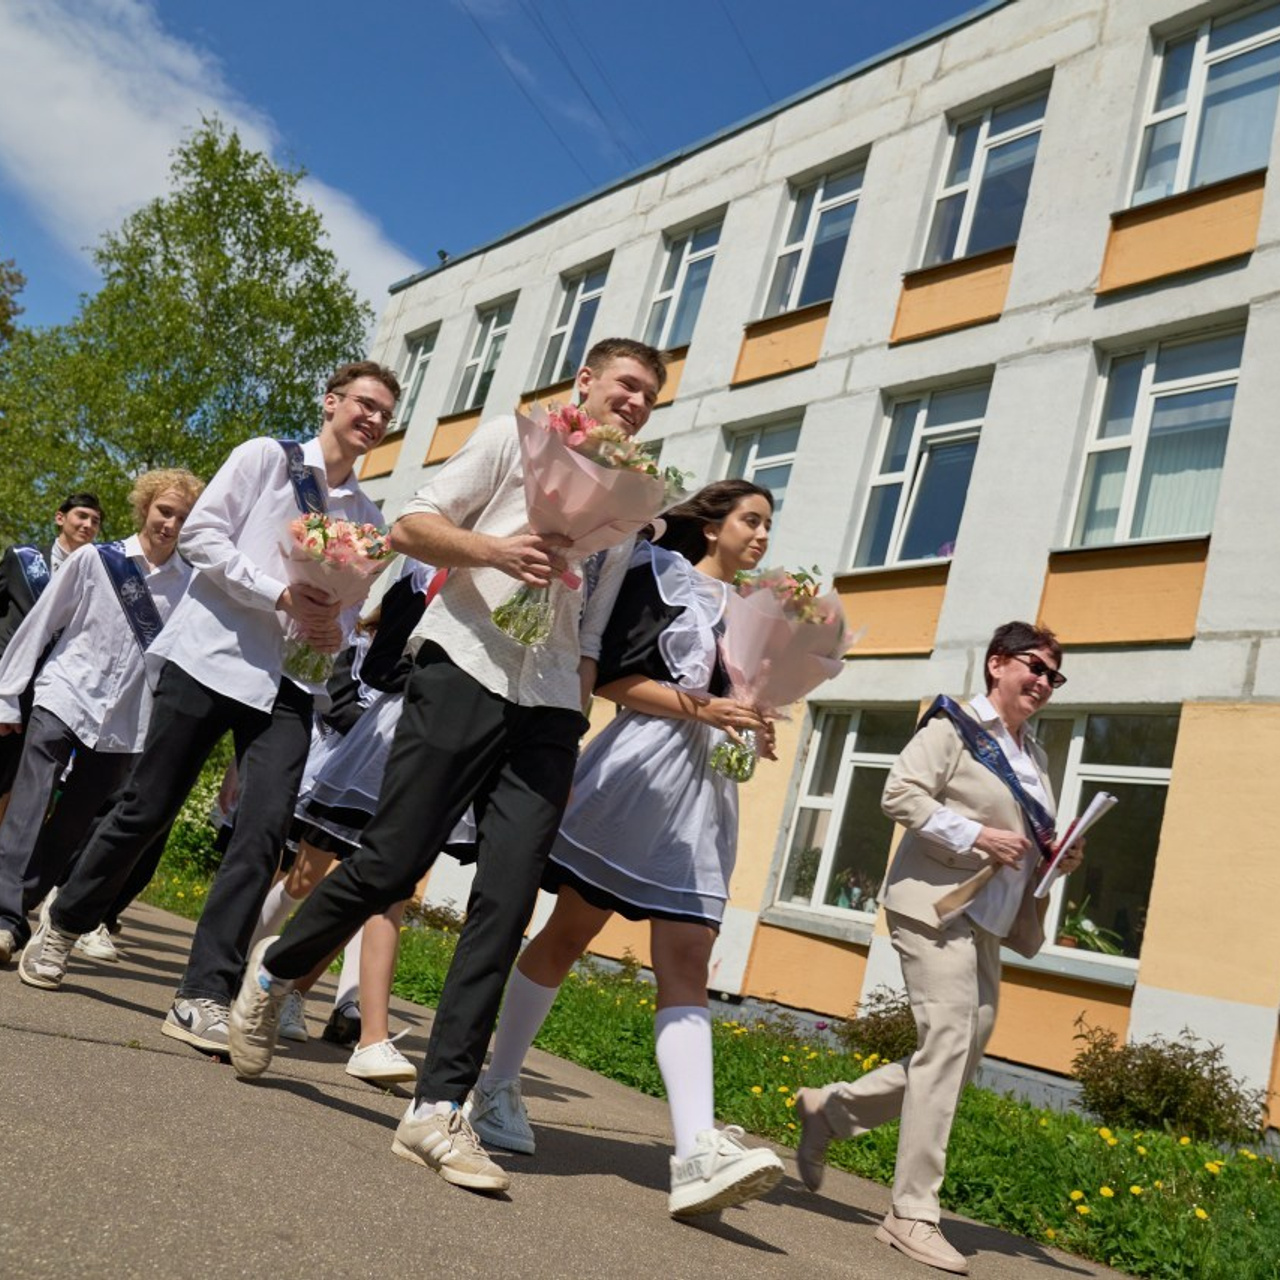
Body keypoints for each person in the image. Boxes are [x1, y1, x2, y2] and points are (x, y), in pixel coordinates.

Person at [227, 337, 666, 1197]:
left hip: (549, 702)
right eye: (628, 385)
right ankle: (277, 969)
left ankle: (437, 1110)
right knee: (393, 859)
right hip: (462, 663)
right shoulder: (514, 440)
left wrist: (573, 719)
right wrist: (496, 551)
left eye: (651, 394)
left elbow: (593, 627)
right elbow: (410, 527)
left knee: (508, 898)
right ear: (586, 382)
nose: (638, 402)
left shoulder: (629, 504)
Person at [19, 363, 394, 1061]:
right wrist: (279, 595)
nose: (373, 419)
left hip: (288, 685)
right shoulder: (265, 458)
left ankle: (203, 995)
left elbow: (346, 614)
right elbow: (202, 539)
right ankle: (65, 920)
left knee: (264, 833)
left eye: (385, 413)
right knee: (146, 808)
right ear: (331, 402)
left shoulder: (369, 520)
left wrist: (330, 631)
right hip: (210, 656)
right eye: (364, 404)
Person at [468, 479, 786, 1216]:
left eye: (769, 525)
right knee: (570, 932)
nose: (763, 535)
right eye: (751, 520)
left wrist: (752, 724)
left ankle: (696, 1148)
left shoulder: (759, 614)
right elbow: (615, 677)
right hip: (639, 774)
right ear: (713, 526)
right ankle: (497, 1084)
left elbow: (737, 700)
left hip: (707, 794)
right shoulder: (661, 575)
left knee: (690, 955)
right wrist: (706, 708)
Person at [794, 621, 1085, 1276]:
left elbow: (1023, 839)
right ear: (997, 664)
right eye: (1035, 667)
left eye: (1054, 675)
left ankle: (829, 1110)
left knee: (958, 1052)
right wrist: (978, 835)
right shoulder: (956, 727)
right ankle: (911, 1214)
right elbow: (899, 792)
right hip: (934, 905)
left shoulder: (1033, 756)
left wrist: (1058, 856)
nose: (1044, 682)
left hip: (988, 920)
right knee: (949, 1042)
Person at [0, 474, 199, 965]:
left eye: (183, 517)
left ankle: (19, 906)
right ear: (145, 507)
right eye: (164, 511)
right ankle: (4, 917)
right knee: (29, 804)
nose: (170, 524)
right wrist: (7, 694)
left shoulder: (192, 587)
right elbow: (41, 622)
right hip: (65, 694)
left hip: (126, 723)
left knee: (71, 828)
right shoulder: (95, 559)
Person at [0, 492, 104, 820]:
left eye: (95, 521)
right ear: (61, 518)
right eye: (82, 516)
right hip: (5, 678)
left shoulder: (96, 577)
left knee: (14, 778)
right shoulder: (21, 559)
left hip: (46, 692)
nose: (88, 525)